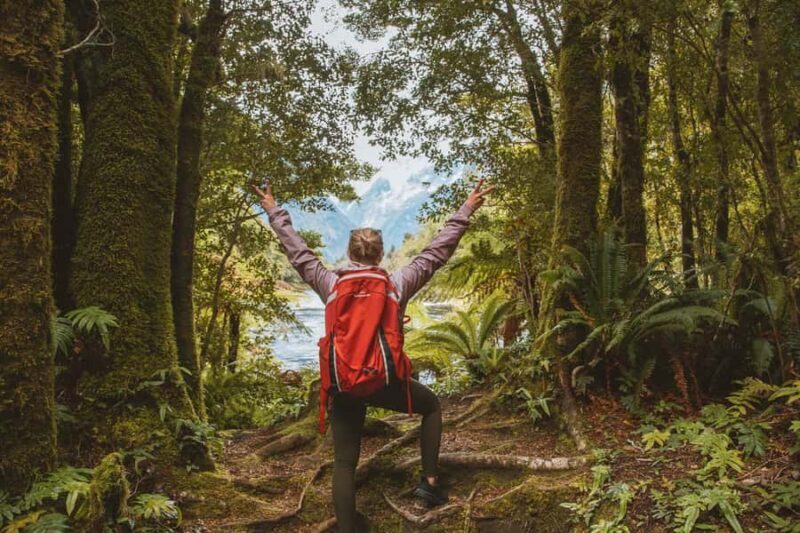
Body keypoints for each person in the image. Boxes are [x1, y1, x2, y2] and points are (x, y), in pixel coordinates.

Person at [251, 178, 493, 532]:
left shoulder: (330, 283)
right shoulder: (396, 284)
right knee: (432, 407)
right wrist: (467, 208)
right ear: (380, 254)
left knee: (345, 463)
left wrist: (273, 209)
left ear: (350, 254)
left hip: (343, 383)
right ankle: (429, 483)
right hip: (384, 381)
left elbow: (297, 252)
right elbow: (436, 252)